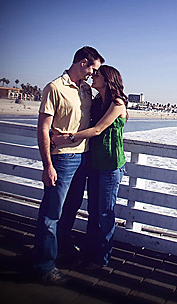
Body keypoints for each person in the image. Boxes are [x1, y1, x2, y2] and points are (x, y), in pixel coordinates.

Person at [34, 46, 104, 284]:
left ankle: (62, 249)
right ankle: (44, 266)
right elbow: (44, 128)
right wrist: (47, 165)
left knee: (71, 208)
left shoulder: (85, 89)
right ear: (83, 62)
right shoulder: (54, 88)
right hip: (62, 158)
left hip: (83, 157)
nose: (94, 75)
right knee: (51, 212)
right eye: (93, 69)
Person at [52, 65, 127, 270]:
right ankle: (87, 253)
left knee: (104, 213)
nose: (94, 77)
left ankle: (101, 259)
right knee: (93, 212)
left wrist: (67, 139)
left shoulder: (117, 103)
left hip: (111, 166)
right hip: (94, 163)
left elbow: (97, 130)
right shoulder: (96, 102)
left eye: (98, 75)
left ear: (108, 80)